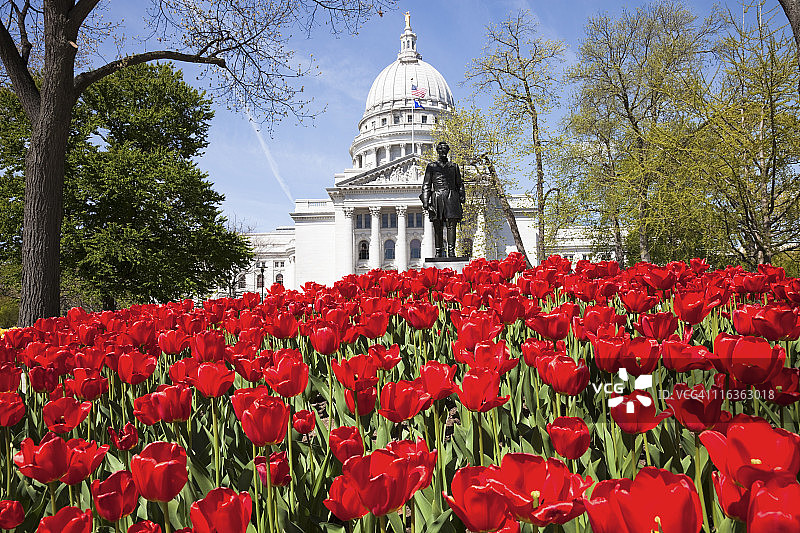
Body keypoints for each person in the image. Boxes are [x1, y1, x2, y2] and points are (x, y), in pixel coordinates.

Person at [421, 141, 465, 257]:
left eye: (445, 149)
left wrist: (462, 196)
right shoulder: (431, 166)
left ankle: (451, 251)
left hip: (451, 197)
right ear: (438, 151)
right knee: (438, 225)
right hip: (437, 196)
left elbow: (459, 183)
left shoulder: (454, 166)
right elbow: (426, 184)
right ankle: (438, 251)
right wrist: (426, 202)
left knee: (451, 225)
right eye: (441, 150)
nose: (443, 152)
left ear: (447, 151)